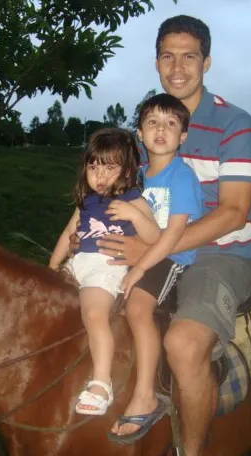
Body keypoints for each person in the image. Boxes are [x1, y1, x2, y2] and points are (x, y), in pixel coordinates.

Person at [97, 15, 251, 456]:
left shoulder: (236, 125)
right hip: (152, 246)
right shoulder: (149, 127)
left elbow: (232, 211)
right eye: (168, 55)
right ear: (156, 62)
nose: (178, 65)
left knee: (186, 343)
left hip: (220, 253)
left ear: (206, 62)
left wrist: (153, 252)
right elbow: (117, 191)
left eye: (189, 55)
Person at [106, 93, 203, 444]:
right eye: (152, 123)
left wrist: (138, 269)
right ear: (140, 133)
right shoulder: (137, 176)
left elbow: (174, 237)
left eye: (171, 124)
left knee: (137, 307)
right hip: (139, 253)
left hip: (172, 259)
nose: (161, 130)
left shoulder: (181, 178)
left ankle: (146, 396)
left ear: (183, 136)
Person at [49, 127, 160, 416]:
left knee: (95, 314)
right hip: (76, 265)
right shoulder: (86, 200)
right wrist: (51, 267)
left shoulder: (134, 200)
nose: (99, 175)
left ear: (127, 172)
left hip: (106, 268)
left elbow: (155, 237)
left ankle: (101, 383)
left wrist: (135, 215)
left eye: (109, 167)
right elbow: (68, 233)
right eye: (93, 165)